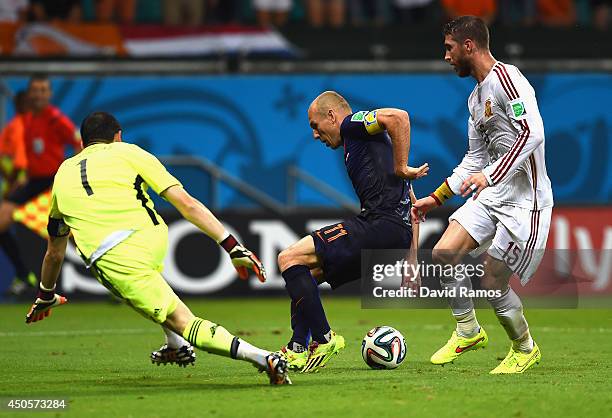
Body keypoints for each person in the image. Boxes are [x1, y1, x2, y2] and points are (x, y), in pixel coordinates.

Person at [24, 112, 291, 385]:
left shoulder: (62, 174)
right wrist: (232, 246)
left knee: (182, 320)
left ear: (83, 143)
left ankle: (263, 357)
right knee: (151, 282)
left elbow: (55, 251)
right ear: (118, 135)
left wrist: (45, 293)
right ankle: (175, 346)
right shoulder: (130, 152)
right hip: (151, 235)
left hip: (113, 255)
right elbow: (186, 203)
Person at [412, 16, 553, 374]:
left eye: (449, 48)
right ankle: (468, 330)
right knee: (444, 252)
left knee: (492, 280)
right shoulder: (476, 99)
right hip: (493, 193)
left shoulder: (508, 80)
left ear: (469, 46)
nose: (446, 56)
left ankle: (524, 347)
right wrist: (437, 197)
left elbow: (532, 133)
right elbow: (474, 158)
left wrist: (489, 175)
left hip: (526, 201)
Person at [276, 91, 428, 373]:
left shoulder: (352, 125)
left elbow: (399, 117)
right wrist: (412, 257)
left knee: (288, 258)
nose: (315, 135)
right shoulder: (360, 142)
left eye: (315, 125)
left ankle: (323, 339)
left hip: (379, 225)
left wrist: (402, 166)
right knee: (305, 277)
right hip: (395, 233)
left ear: (332, 116)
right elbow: (411, 201)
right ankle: (298, 347)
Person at [0, 75, 80, 295]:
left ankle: (113, 283)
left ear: (50, 94)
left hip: (54, 180)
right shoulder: (26, 120)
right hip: (33, 181)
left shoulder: (55, 118)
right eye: (35, 90)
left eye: (43, 90)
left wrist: (72, 173)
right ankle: (24, 275)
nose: (39, 94)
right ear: (29, 94)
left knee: (79, 233)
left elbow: (78, 142)